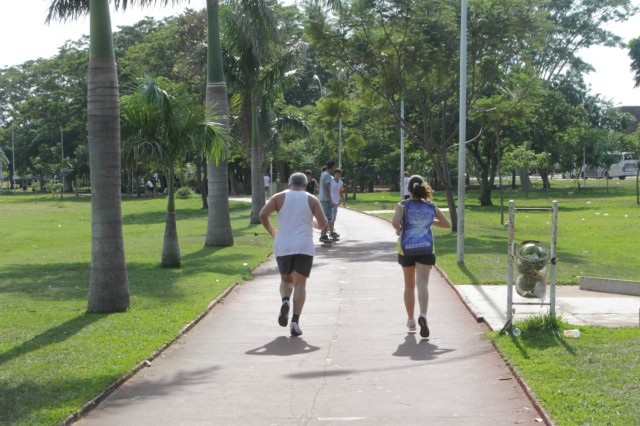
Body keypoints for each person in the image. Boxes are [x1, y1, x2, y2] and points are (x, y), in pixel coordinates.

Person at [259, 172, 328, 337]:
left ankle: (284, 301)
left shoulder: (279, 197)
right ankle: (295, 322)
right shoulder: (311, 199)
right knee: (300, 285)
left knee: (286, 280)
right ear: (305, 185)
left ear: (290, 184)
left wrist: (272, 232)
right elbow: (323, 223)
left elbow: (262, 215)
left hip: (283, 245)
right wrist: (315, 225)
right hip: (304, 246)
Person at [391, 175, 451, 338]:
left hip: (407, 249)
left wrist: (399, 229)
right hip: (425, 248)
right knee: (423, 283)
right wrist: (429, 221)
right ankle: (423, 314)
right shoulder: (431, 206)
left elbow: (395, 222)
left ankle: (410, 320)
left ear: (409, 189)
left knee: (409, 285)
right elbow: (447, 224)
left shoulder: (402, 205)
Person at [318, 161, 335, 243]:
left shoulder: (323, 174)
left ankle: (323, 235)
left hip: (322, 198)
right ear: (332, 167)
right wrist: (330, 200)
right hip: (326, 199)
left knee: (326, 217)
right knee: (327, 218)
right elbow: (327, 188)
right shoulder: (327, 175)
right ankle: (323, 235)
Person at [329, 168, 346, 239]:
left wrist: (343, 201)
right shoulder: (330, 181)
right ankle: (331, 232)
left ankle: (331, 232)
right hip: (330, 201)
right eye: (336, 174)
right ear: (334, 174)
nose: (337, 175)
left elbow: (341, 192)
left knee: (334, 218)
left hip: (336, 202)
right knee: (330, 217)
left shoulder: (341, 182)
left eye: (339, 174)